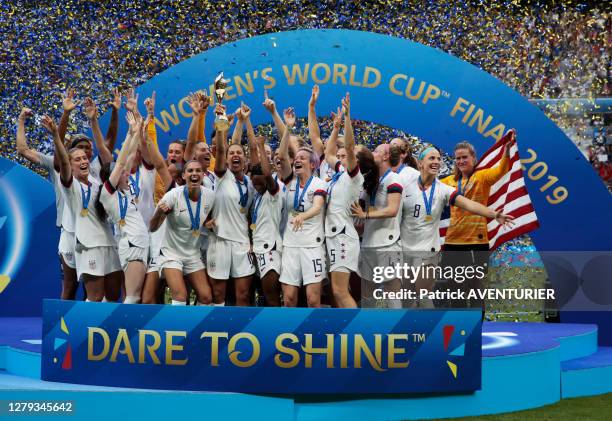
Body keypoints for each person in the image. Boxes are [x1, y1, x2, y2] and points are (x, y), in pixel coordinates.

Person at [401, 147, 514, 308]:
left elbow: (470, 204)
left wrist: (494, 214)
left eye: (438, 159)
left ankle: (469, 329)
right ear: (420, 163)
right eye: (431, 158)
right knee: (413, 296)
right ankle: (415, 330)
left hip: (454, 246)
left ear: (473, 158)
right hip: (421, 247)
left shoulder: (448, 187)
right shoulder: (410, 185)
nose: (436, 162)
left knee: (466, 288)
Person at [47, 114, 122, 302]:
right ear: (70, 166)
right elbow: (62, 162)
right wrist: (57, 135)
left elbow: (113, 160)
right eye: (77, 159)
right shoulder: (69, 187)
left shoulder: (96, 182)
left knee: (113, 296)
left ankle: (107, 330)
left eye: (85, 158)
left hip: (109, 243)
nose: (83, 161)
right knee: (93, 296)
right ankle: (82, 330)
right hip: (88, 245)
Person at [440, 135, 513, 310]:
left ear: (474, 158)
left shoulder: (482, 177)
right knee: (455, 290)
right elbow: (427, 185)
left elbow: (501, 170)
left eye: (465, 157)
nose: (461, 161)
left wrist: (507, 152)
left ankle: (475, 331)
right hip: (452, 242)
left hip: (477, 243)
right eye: (458, 158)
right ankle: (460, 330)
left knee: (474, 289)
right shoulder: (448, 181)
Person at [16, 107, 77, 299]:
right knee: (69, 284)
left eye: (69, 142)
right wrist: (20, 121)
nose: (65, 145)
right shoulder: (54, 164)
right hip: (68, 229)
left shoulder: (90, 168)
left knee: (95, 286)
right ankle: (62, 325)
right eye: (64, 141)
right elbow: (22, 150)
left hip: (92, 230)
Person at [277, 107, 327, 307]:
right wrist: (288, 128)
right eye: (296, 159)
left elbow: (317, 207)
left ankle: (314, 336)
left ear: (313, 165)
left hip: (312, 247)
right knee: (289, 299)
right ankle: (288, 335)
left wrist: (302, 217)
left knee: (313, 299)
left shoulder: (319, 184)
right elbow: (281, 156)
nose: (297, 160)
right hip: (290, 245)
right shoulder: (290, 181)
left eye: (302, 158)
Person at [207, 104, 256, 307]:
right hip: (220, 241)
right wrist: (221, 122)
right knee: (218, 296)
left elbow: (251, 216)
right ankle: (215, 337)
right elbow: (220, 148)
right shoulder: (221, 176)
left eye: (239, 153)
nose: (235, 155)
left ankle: (241, 335)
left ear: (244, 159)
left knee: (243, 297)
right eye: (231, 153)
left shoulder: (251, 183)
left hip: (243, 243)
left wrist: (243, 121)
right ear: (226, 159)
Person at [97, 112, 149, 303]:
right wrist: (131, 134)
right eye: (120, 173)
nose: (125, 172)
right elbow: (120, 163)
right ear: (111, 178)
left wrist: (135, 132)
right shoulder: (108, 193)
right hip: (133, 243)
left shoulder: (125, 191)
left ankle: (106, 326)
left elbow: (128, 158)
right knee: (133, 297)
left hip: (136, 242)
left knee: (130, 295)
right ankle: (113, 330)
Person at [149, 159, 215, 306]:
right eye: (190, 171)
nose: (194, 173)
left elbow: (199, 217)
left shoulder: (210, 196)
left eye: (198, 170)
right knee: (180, 296)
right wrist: (159, 212)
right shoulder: (172, 196)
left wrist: (208, 223)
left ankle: (196, 327)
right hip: (171, 253)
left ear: (203, 175)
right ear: (184, 176)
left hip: (192, 254)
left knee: (206, 297)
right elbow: (152, 228)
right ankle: (176, 328)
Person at [351, 143, 403, 308]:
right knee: (367, 298)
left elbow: (392, 210)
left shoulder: (394, 178)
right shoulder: (371, 180)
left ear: (386, 156)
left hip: (388, 244)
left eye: (376, 151)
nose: (372, 153)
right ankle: (369, 331)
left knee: (392, 296)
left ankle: (399, 331)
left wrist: (365, 215)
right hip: (368, 243)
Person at [323, 93, 363, 308]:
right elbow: (329, 153)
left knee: (340, 291)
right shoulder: (339, 174)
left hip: (343, 237)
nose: (340, 159)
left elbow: (348, 147)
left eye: (345, 157)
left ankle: (357, 333)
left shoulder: (355, 177)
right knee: (336, 292)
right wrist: (335, 127)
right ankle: (348, 332)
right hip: (333, 235)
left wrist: (347, 118)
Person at [250, 136, 283, 306]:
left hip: (270, 249)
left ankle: (278, 330)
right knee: (262, 296)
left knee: (271, 296)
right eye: (253, 182)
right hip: (257, 249)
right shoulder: (257, 196)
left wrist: (261, 147)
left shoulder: (273, 193)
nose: (256, 184)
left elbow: (268, 174)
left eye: (259, 181)